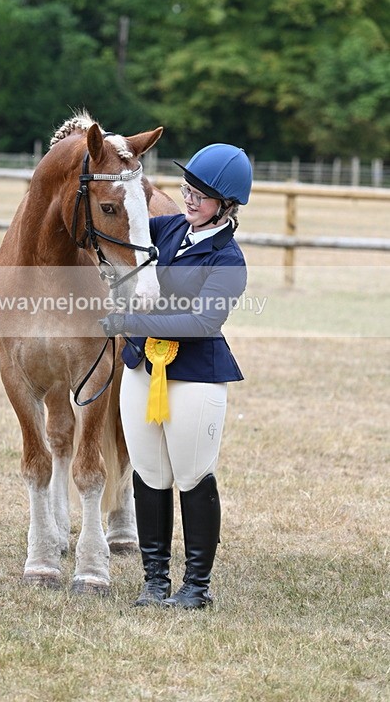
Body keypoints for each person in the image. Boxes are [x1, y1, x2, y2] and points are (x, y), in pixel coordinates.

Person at [99, 143, 252, 609]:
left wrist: (129, 322)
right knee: (149, 473)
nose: (189, 200)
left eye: (201, 196)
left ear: (226, 205)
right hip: (141, 369)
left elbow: (203, 322)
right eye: (187, 189)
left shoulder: (228, 260)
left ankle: (197, 586)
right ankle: (154, 580)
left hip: (195, 378)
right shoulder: (166, 230)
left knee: (192, 476)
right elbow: (120, 228)